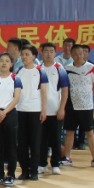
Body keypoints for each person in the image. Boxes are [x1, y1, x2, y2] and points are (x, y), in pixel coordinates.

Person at [63, 44, 94, 168]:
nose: (79, 56)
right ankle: (67, 157)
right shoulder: (67, 69)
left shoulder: (91, 67)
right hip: (71, 106)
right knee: (70, 132)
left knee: (89, 132)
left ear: (84, 54)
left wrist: (87, 96)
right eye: (75, 54)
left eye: (81, 53)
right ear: (71, 55)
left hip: (86, 106)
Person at [14, 44, 48, 181]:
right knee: (22, 143)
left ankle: (34, 171)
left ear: (34, 56)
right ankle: (24, 170)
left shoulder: (40, 71)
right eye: (22, 54)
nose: (24, 57)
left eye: (27, 54)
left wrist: (44, 110)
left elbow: (44, 92)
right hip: (20, 110)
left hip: (35, 110)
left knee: (35, 142)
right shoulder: (19, 71)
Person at [37, 43, 70, 175]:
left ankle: (55, 164)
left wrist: (62, 108)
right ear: (41, 53)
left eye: (51, 51)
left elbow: (65, 90)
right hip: (40, 110)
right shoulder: (37, 68)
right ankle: (42, 164)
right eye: (46, 51)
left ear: (55, 54)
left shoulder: (60, 69)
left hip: (55, 110)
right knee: (41, 139)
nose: (49, 54)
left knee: (55, 139)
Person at [0, 52, 20, 186]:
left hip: (10, 113)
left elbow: (16, 98)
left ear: (11, 64)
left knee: (11, 145)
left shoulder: (15, 78)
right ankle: (0, 174)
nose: (4, 63)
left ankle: (11, 174)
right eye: (1, 60)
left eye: (7, 61)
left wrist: (4, 112)